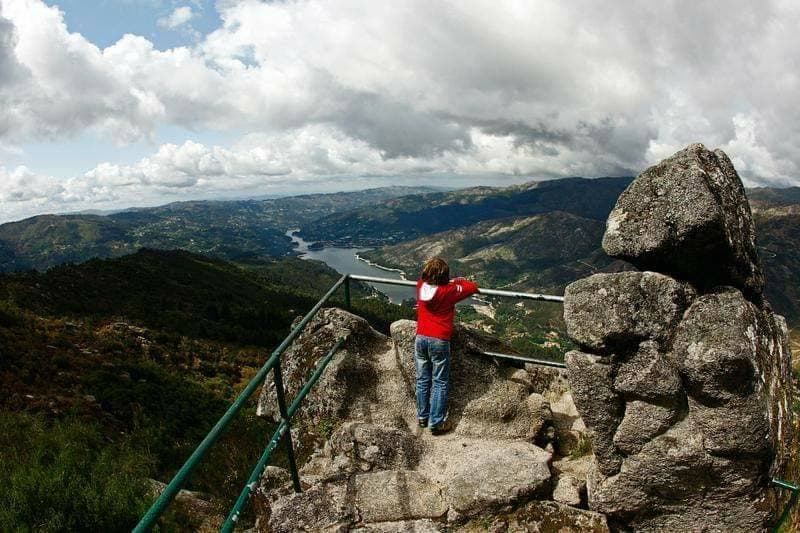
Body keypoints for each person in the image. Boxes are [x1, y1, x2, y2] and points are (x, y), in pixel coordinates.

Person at [414, 257, 478, 434]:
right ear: (444, 276)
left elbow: (429, 282)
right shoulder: (449, 290)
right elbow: (472, 287)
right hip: (439, 340)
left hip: (421, 338)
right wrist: (457, 280)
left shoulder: (421, 286)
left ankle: (422, 417)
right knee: (440, 382)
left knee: (422, 379)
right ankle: (436, 422)